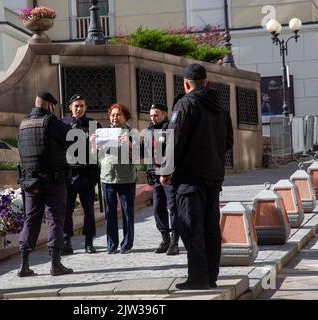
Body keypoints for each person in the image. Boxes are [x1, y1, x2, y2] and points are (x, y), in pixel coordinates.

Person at [162, 64, 233, 290]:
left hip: (190, 178)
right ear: (207, 82)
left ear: (186, 84)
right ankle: (211, 275)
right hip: (213, 177)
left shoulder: (185, 104)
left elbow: (175, 139)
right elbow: (228, 143)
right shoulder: (221, 108)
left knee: (191, 227)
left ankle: (198, 277)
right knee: (210, 227)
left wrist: (165, 170)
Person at [17, 91, 73, 277]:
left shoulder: (23, 124)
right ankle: (55, 264)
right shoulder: (50, 122)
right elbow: (71, 138)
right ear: (49, 105)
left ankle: (24, 265)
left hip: (30, 181)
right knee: (54, 219)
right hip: (53, 181)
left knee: (31, 219)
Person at [62, 94, 101, 255]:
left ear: (86, 107)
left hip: (87, 174)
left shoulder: (94, 124)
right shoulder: (62, 123)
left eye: (82, 106)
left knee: (89, 210)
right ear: (70, 107)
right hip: (69, 174)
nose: (79, 108)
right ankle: (66, 241)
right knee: (66, 210)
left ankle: (89, 241)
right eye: (76, 105)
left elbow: (101, 149)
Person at [96, 103, 137, 254]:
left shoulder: (132, 133)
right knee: (110, 213)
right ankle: (111, 245)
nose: (115, 118)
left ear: (125, 117)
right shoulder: (104, 133)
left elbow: (140, 157)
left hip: (126, 178)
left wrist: (130, 144)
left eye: (118, 114)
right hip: (107, 178)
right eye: (112, 115)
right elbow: (96, 156)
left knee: (127, 212)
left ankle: (127, 244)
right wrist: (95, 146)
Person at [143, 103, 179, 255]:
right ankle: (165, 238)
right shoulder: (148, 130)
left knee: (172, 207)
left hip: (169, 175)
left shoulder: (170, 129)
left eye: (156, 114)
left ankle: (174, 241)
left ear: (164, 114)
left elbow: (173, 152)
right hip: (155, 175)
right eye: (151, 115)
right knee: (158, 207)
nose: (153, 118)